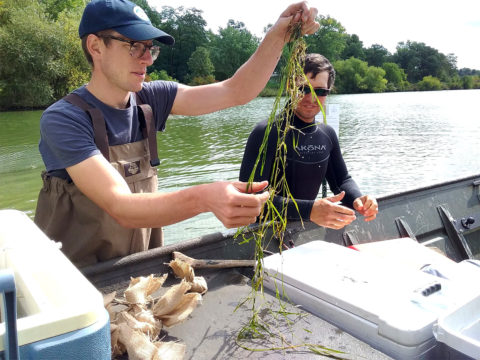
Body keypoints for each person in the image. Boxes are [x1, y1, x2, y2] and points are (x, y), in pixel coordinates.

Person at [33, 0, 319, 266]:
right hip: (72, 282)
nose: (147, 59)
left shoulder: (151, 99)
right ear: (96, 46)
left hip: (136, 271)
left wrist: (278, 36)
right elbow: (121, 206)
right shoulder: (64, 119)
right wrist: (205, 198)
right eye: (134, 46)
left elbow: (236, 91)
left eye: (150, 48)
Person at [239, 53, 378, 230]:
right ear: (290, 87)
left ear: (328, 92)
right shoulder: (266, 132)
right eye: (303, 88)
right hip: (263, 235)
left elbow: (342, 180)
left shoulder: (327, 134)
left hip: (305, 231)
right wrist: (310, 210)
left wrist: (359, 200)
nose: (311, 98)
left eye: (320, 91)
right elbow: (250, 200)